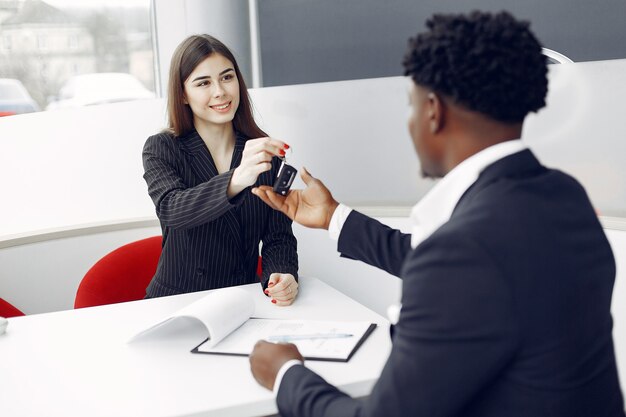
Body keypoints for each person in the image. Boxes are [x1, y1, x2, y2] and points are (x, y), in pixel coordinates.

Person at [248, 11, 625, 417]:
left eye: (411, 107)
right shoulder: (563, 197)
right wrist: (333, 216)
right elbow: (461, 269)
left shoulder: (466, 251)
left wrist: (285, 373)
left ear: (433, 111)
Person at [142, 35, 299, 304]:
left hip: (241, 303)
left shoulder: (262, 155)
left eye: (227, 77)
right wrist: (236, 179)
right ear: (182, 94)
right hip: (177, 304)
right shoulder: (162, 147)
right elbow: (172, 209)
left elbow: (278, 236)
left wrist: (282, 275)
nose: (220, 91)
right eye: (203, 83)